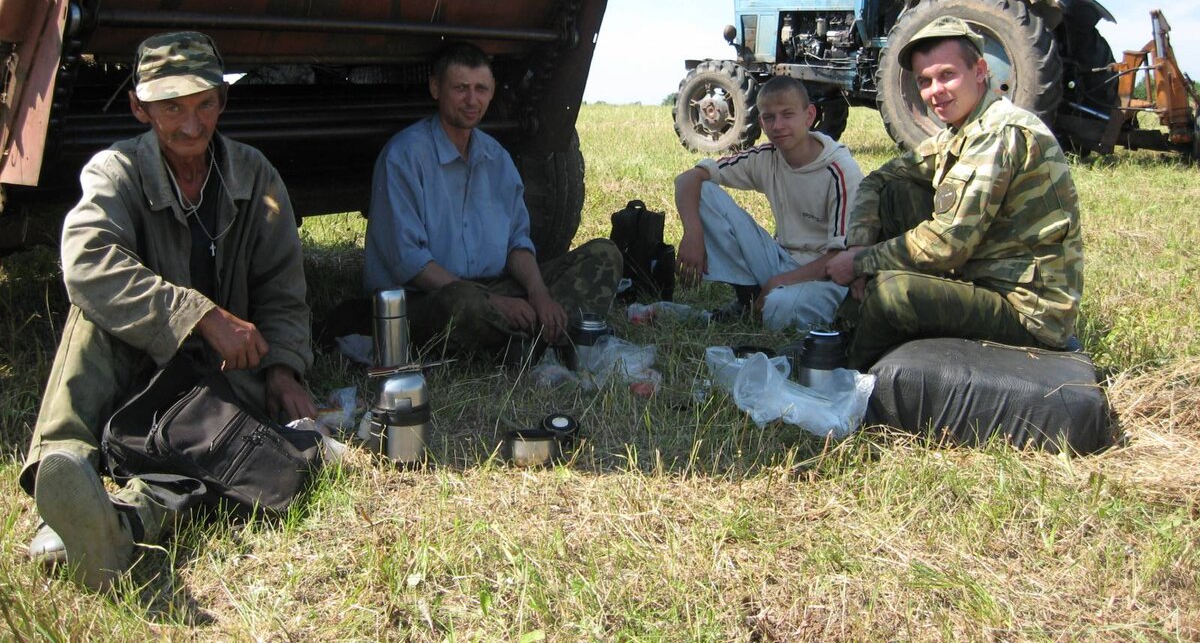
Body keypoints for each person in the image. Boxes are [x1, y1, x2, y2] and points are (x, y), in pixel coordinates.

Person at [20, 31, 317, 591]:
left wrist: (283, 369)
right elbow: (87, 263)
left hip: (223, 373)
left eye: (205, 103)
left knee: (227, 452)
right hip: (142, 355)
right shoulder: (115, 170)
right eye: (172, 106)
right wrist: (199, 315)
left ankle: (121, 521)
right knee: (91, 318)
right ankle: (63, 474)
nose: (191, 123)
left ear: (222, 103)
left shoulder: (255, 175)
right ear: (139, 106)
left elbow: (282, 285)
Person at [826, 16, 1083, 368]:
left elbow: (947, 243)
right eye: (925, 81)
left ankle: (847, 373)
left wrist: (859, 262)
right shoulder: (958, 133)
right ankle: (846, 330)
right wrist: (858, 245)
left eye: (947, 75)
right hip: (982, 275)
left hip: (1026, 310)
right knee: (898, 192)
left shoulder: (999, 133)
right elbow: (878, 180)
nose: (935, 91)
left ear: (980, 71)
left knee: (894, 293)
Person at [364, 42, 620, 357]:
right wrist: (493, 302)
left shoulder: (497, 158)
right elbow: (411, 263)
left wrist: (538, 293)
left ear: (492, 90)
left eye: (481, 89)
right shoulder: (403, 157)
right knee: (463, 305)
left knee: (604, 256)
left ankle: (525, 334)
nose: (472, 100)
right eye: (461, 88)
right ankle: (534, 340)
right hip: (428, 298)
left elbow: (516, 243)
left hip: (494, 288)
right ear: (435, 88)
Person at [674, 76, 863, 330]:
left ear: (809, 116)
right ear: (761, 122)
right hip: (781, 258)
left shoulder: (840, 170)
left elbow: (841, 257)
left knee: (778, 309)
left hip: (827, 276)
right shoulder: (767, 156)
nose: (778, 125)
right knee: (704, 190)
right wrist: (692, 233)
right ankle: (748, 298)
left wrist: (779, 282)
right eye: (769, 117)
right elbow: (689, 178)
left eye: (787, 114)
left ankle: (770, 302)